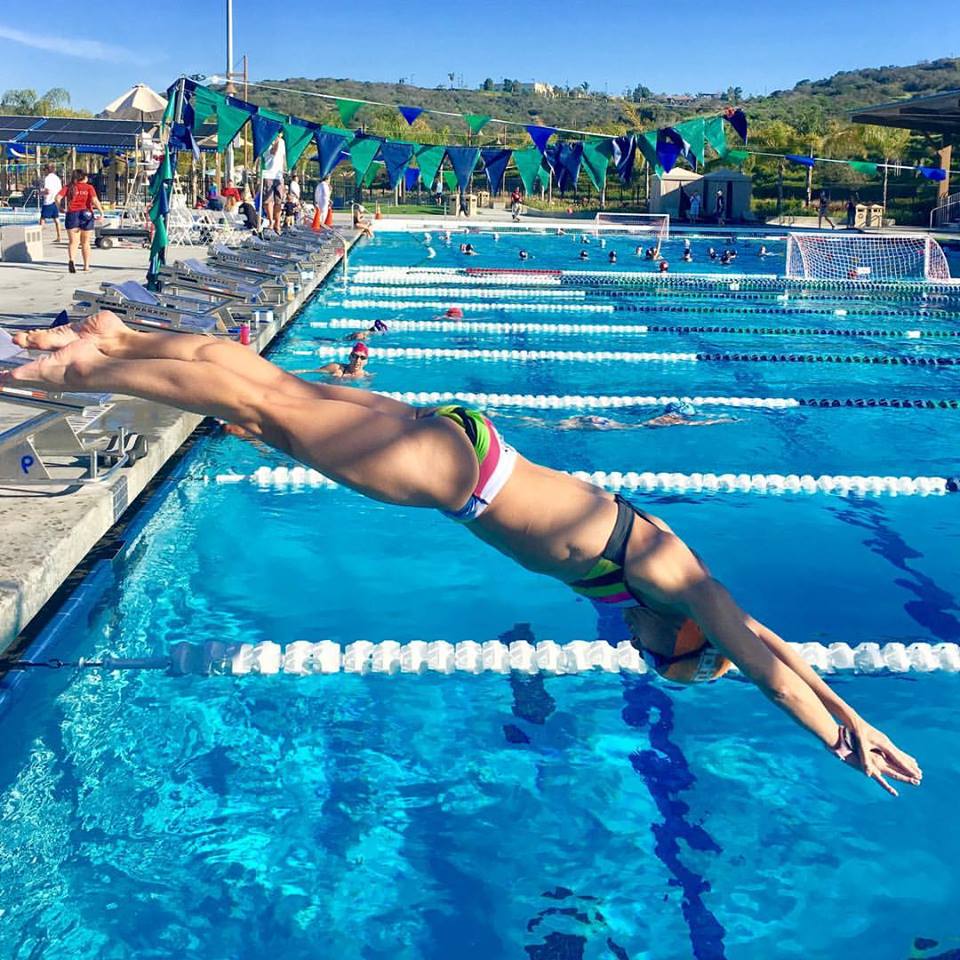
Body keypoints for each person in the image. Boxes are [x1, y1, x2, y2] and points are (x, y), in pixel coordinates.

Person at [5, 311, 923, 798]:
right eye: (652, 655)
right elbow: (767, 665)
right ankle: (87, 368)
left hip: (471, 448)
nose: (631, 648)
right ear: (684, 639)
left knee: (260, 398)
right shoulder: (678, 582)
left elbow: (775, 648)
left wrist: (841, 705)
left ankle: (116, 338)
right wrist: (847, 735)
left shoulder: (663, 589)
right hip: (456, 476)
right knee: (266, 406)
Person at [57, 170, 104, 274]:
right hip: (86, 214)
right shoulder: (89, 187)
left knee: (73, 242)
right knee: (85, 243)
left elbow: (57, 198)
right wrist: (101, 213)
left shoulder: (69, 187)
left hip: (72, 215)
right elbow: (95, 201)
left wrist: (59, 207)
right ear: (83, 178)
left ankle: (71, 260)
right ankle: (86, 266)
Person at [292, 340, 371, 379]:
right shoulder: (336, 367)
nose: (358, 360)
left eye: (362, 358)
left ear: (366, 361)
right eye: (355, 356)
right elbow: (309, 371)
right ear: (350, 357)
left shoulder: (366, 377)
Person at [261, 136, 287, 233]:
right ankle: (271, 221)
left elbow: (283, 156)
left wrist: (285, 168)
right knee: (268, 200)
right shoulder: (266, 141)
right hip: (268, 173)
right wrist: (276, 141)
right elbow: (273, 152)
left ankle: (277, 223)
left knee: (279, 200)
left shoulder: (282, 142)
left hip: (279, 175)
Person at [39, 164, 62, 242]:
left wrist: (41, 192)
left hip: (49, 201)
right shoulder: (57, 178)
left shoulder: (48, 178)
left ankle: (39, 236)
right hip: (56, 200)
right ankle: (59, 236)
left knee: (42, 219)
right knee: (56, 219)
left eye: (44, 170)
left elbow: (47, 191)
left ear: (47, 170)